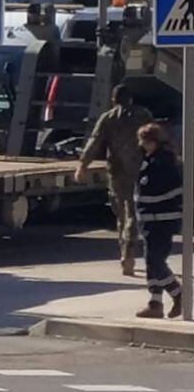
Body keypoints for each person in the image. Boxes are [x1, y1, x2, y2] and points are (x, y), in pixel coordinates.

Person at [75, 84, 153, 275]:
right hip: (140, 170)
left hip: (117, 171)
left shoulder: (108, 118)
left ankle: (125, 252)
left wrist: (82, 165)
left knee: (122, 214)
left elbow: (94, 142)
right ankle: (130, 252)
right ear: (131, 99)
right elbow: (156, 140)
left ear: (113, 100)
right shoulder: (144, 115)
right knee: (134, 213)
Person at [133, 123, 183, 318]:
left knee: (156, 260)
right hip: (149, 220)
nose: (141, 145)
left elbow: (164, 191)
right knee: (150, 262)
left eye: (144, 141)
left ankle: (178, 294)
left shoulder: (164, 163)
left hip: (161, 220)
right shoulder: (150, 160)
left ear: (153, 141)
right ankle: (155, 303)